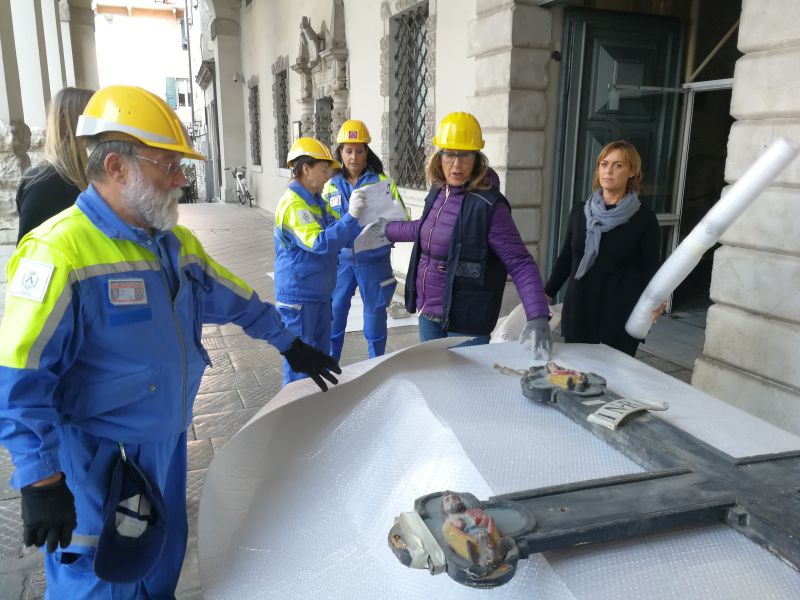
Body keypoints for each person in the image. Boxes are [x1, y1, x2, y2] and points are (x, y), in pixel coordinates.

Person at [0, 85, 340, 599]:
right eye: (169, 165)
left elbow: (234, 297)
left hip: (166, 443)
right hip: (97, 458)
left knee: (160, 556)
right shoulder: (57, 252)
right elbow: (19, 374)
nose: (181, 179)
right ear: (117, 167)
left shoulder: (174, 242)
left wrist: (289, 343)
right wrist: (40, 479)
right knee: (100, 575)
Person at [376, 112, 552, 358]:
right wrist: (387, 230)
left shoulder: (490, 206)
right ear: (439, 157)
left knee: (464, 381)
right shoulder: (440, 191)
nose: (456, 165)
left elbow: (520, 262)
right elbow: (427, 229)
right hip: (429, 312)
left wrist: (537, 314)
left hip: (467, 319)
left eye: (465, 155)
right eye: (449, 154)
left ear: (477, 159)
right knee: (433, 375)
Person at [544, 140, 662, 356]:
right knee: (577, 370)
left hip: (620, 313)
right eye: (604, 164)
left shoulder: (644, 218)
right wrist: (547, 293)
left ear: (632, 172)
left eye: (618, 165)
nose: (609, 171)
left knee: (613, 373)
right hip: (581, 307)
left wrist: (657, 300)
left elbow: (651, 268)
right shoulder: (580, 211)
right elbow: (567, 257)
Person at [274, 136, 366, 385]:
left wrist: (365, 223)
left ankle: (315, 406)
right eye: (324, 170)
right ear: (306, 168)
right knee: (300, 371)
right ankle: (296, 410)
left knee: (318, 362)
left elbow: (339, 232)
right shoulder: (294, 206)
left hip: (318, 294)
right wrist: (351, 216)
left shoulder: (316, 202)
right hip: (299, 299)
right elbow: (320, 243)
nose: (328, 177)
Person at [321, 119, 409, 360]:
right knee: (334, 314)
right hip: (341, 263)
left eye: (359, 151)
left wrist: (387, 230)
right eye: (348, 151)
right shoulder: (330, 186)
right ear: (340, 152)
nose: (354, 157)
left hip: (374, 261)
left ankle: (375, 364)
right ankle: (330, 366)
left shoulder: (382, 182)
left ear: (367, 152)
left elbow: (402, 216)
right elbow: (323, 224)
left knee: (375, 316)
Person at [15, 87, 95, 244]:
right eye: (92, 117)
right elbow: (29, 250)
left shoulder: (89, 174)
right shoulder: (42, 184)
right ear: (65, 123)